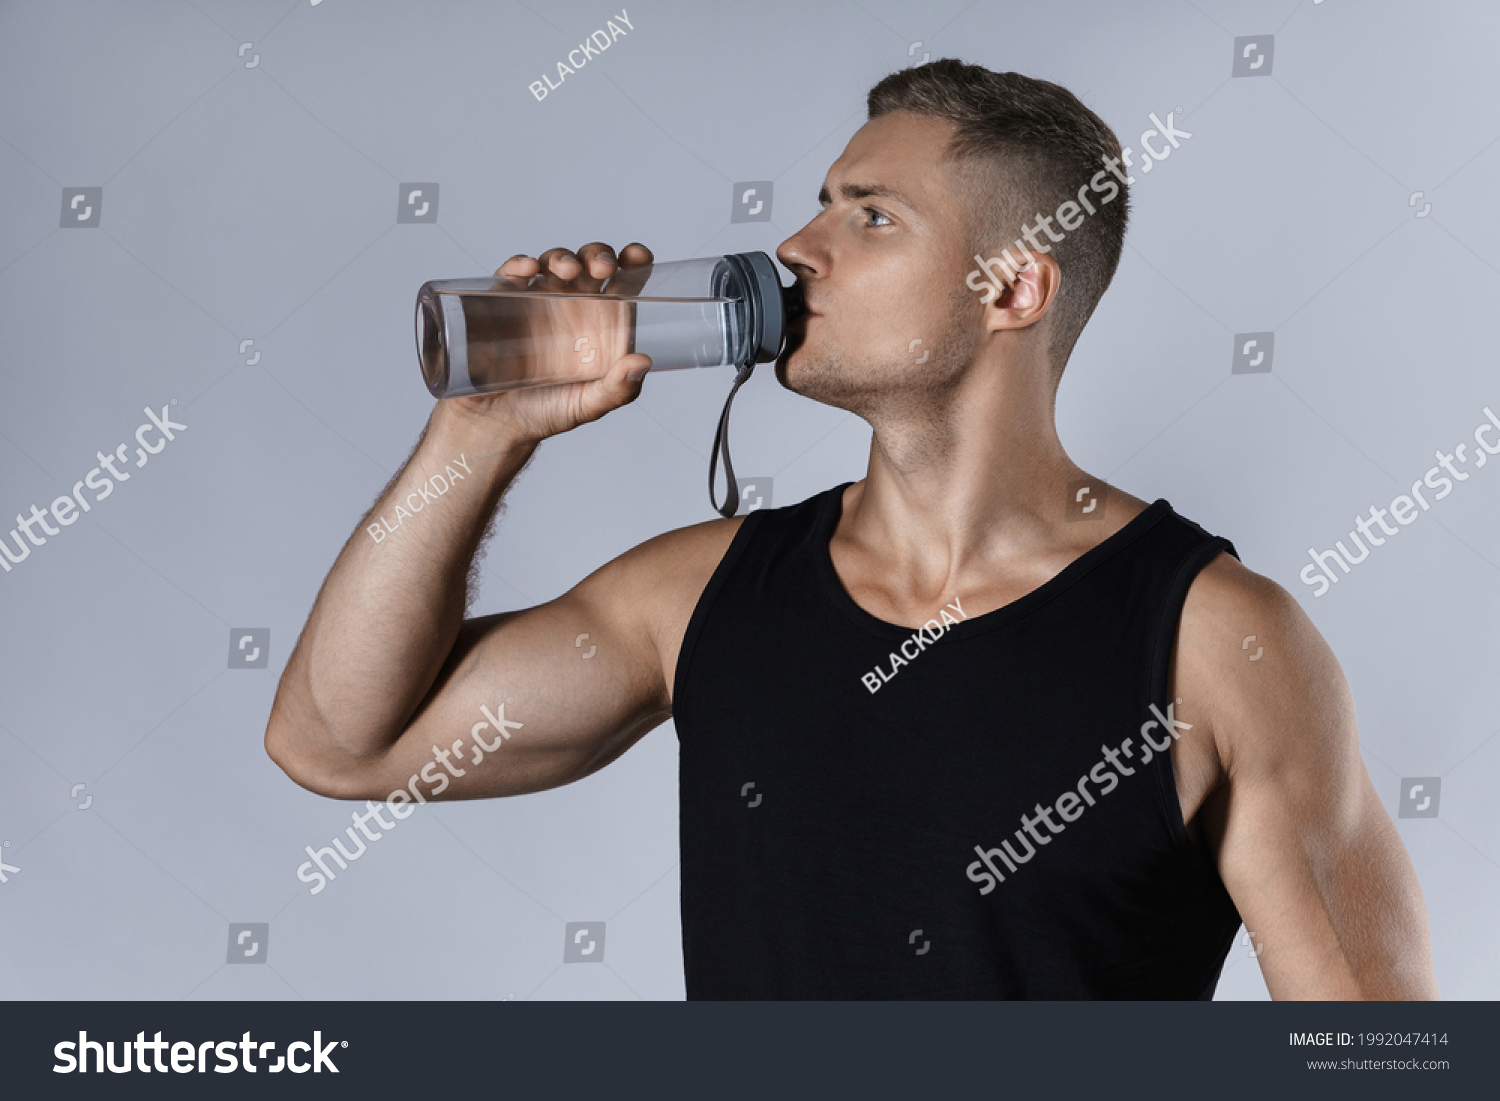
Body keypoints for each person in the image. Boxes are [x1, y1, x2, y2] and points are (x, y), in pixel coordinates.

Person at [266, 60, 1439, 1000]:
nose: (797, 250)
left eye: (871, 216)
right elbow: (340, 744)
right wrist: (479, 435)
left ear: (1012, 289)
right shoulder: (699, 595)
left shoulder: (1217, 646)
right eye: (823, 203)